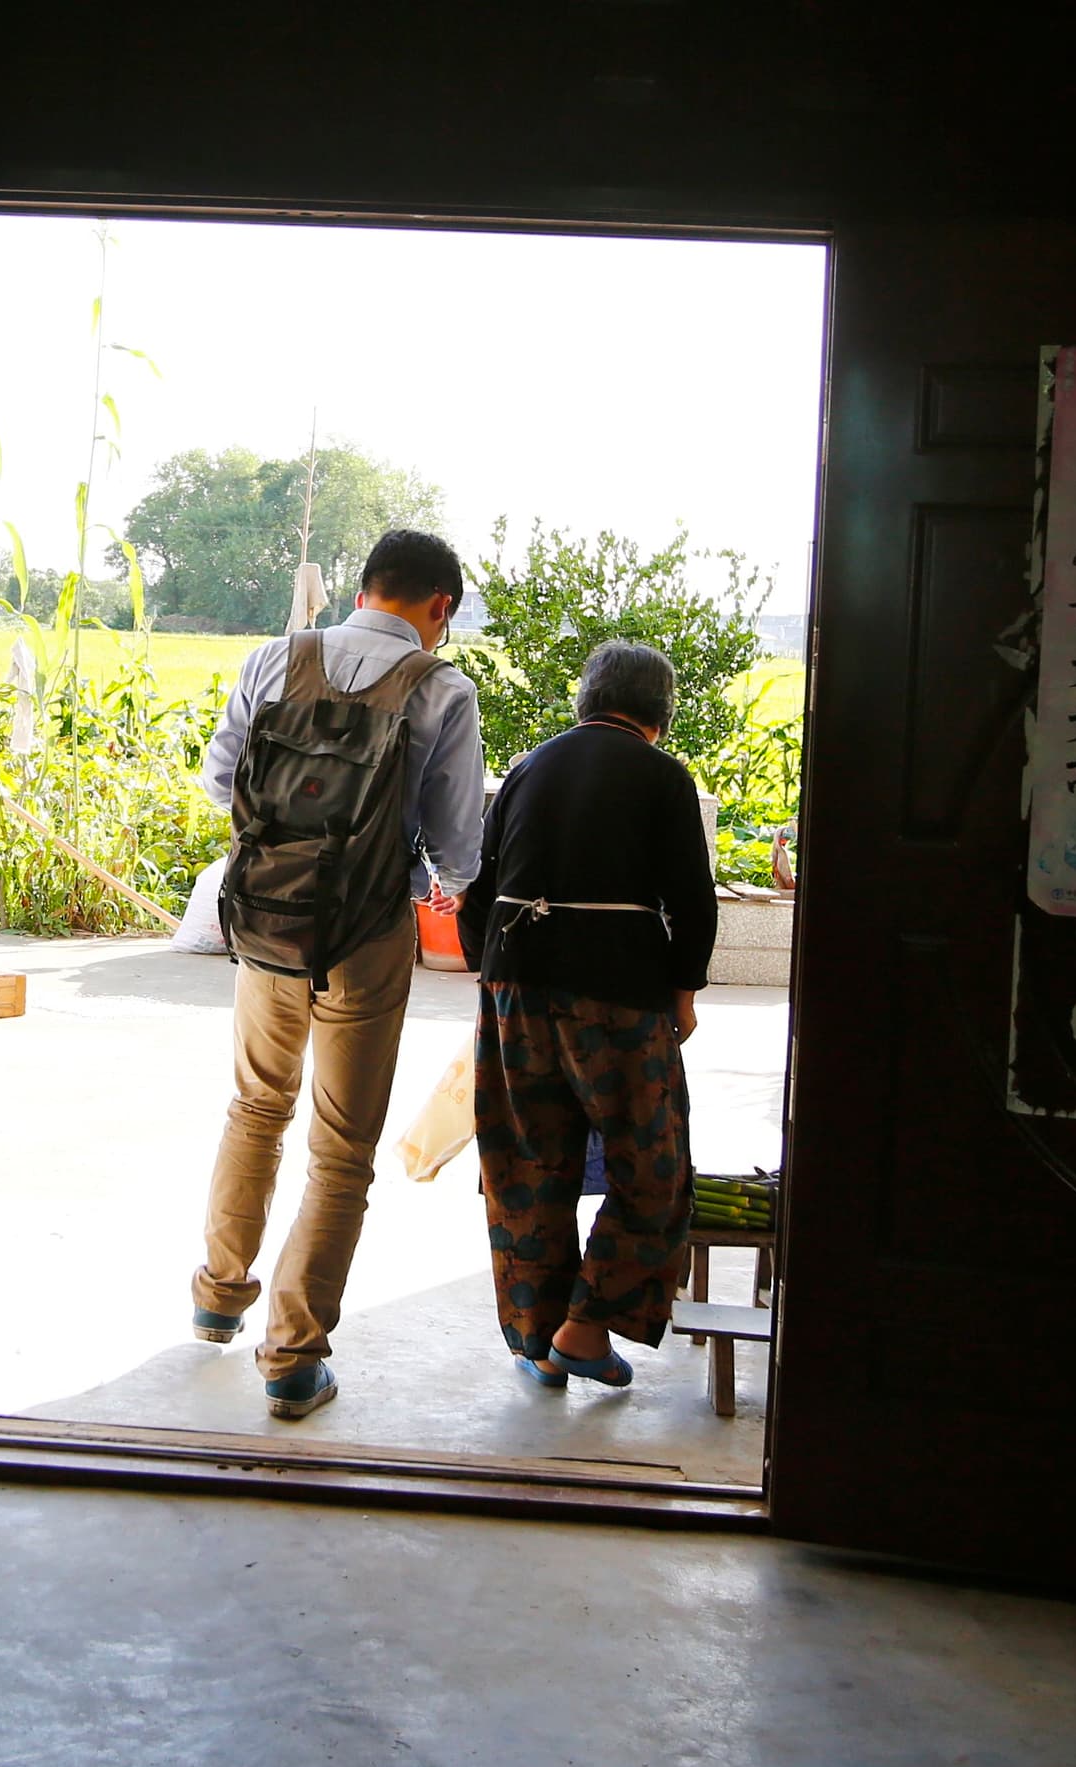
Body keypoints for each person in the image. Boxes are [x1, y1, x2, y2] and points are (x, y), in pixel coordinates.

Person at [189, 528, 486, 1419]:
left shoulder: (275, 659)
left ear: (365, 588)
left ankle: (217, 1293)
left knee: (255, 1107)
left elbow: (219, 781)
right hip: (364, 935)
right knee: (341, 1149)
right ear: (439, 606)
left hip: (268, 925)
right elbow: (458, 847)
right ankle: (291, 1355)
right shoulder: (442, 688)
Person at [458, 639, 717, 1389]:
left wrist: (498, 980)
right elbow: (692, 901)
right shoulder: (663, 776)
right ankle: (585, 1328)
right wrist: (684, 991)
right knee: (652, 1164)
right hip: (616, 994)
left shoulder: (531, 766)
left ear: (587, 699)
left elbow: (479, 894)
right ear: (659, 713)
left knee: (525, 1163)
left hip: (513, 992)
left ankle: (537, 1339)